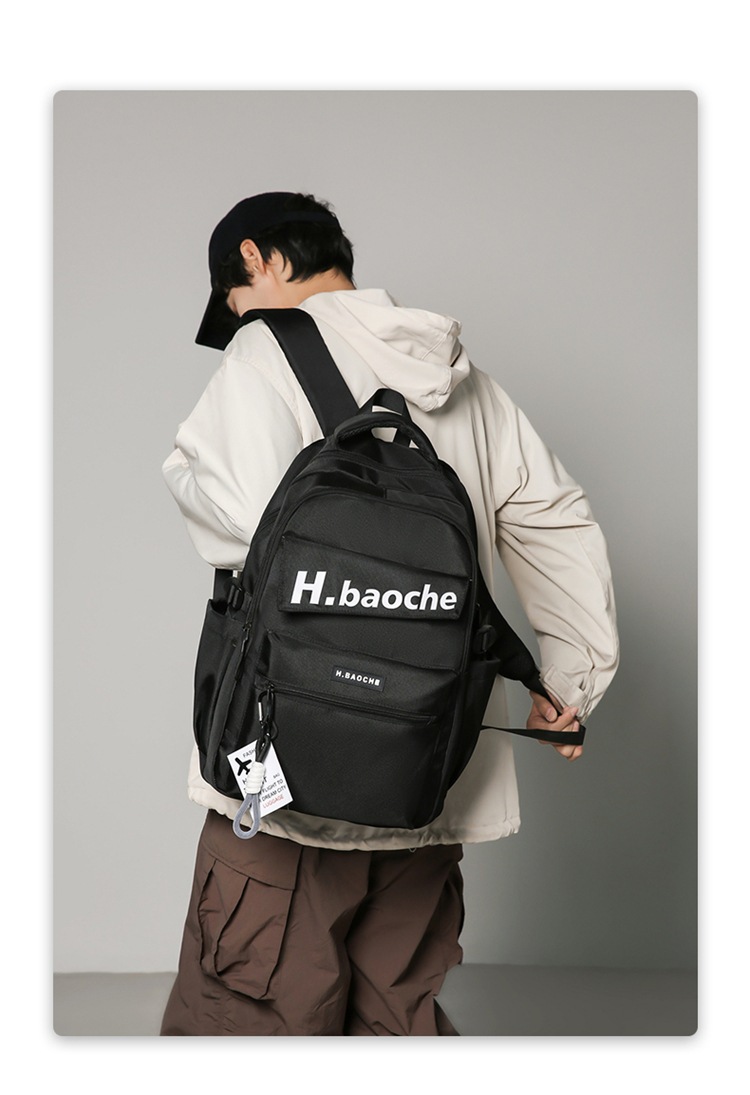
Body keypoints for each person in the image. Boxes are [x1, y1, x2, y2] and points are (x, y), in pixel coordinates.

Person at [159, 191, 619, 1037]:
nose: (242, 319)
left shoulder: (263, 350)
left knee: (246, 1028)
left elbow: (248, 529)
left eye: (235, 299)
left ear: (257, 258)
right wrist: (568, 682)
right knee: (396, 1027)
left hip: (288, 781)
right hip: (429, 776)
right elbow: (554, 519)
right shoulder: (460, 376)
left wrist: (185, 475)